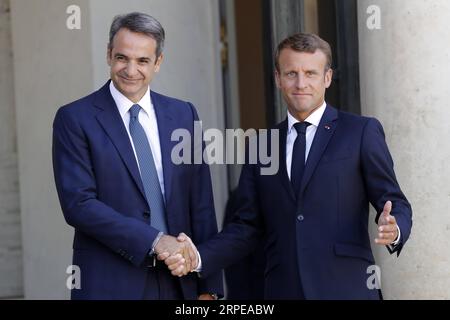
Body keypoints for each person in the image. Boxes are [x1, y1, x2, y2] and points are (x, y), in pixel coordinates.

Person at [163, 33, 413, 299]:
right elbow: (245, 228)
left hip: (348, 289)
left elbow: (393, 200)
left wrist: (394, 226)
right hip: (283, 290)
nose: (301, 83)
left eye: (310, 73)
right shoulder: (262, 145)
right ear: (278, 78)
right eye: (291, 73)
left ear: (327, 78)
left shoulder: (361, 131)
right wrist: (199, 256)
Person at [52, 12, 222, 300]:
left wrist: (209, 287)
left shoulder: (183, 114)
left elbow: (201, 202)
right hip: (111, 281)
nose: (131, 70)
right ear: (108, 54)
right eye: (122, 58)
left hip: (179, 282)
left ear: (158, 62)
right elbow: (78, 204)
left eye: (142, 60)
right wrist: (155, 241)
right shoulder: (75, 118)